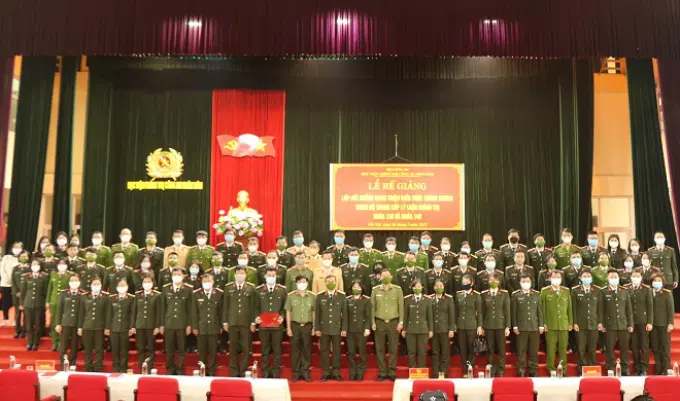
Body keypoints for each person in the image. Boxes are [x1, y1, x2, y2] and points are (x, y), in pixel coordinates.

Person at [222, 265, 256, 377]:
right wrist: (225, 322)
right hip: (232, 322)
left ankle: (243, 370)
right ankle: (234, 371)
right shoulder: (228, 288)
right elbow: (225, 306)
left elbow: (253, 307)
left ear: (246, 274)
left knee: (246, 349)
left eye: (242, 273)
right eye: (238, 273)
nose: (240, 275)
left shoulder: (251, 288)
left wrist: (253, 322)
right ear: (234, 274)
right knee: (233, 349)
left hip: (246, 323)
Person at [371, 269, 404, 381]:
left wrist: (401, 322)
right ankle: (382, 373)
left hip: (393, 323)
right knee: (380, 349)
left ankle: (392, 372)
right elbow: (372, 307)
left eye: (387, 276)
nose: (385, 278)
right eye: (383, 276)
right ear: (380, 277)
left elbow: (401, 307)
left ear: (391, 276)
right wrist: (373, 322)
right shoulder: (375, 290)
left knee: (393, 349)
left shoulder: (397, 290)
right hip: (379, 322)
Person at [254, 267, 287, 378]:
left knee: (277, 350)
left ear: (276, 276)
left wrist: (282, 317)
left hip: (277, 326)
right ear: (265, 276)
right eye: (269, 275)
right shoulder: (258, 290)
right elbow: (256, 307)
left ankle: (276, 372)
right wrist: (256, 317)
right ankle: (265, 372)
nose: (271, 277)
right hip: (263, 326)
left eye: (273, 275)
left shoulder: (282, 290)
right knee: (265, 350)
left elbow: (284, 307)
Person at [160, 267, 193, 375]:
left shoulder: (188, 289)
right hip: (169, 323)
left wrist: (189, 325)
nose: (176, 276)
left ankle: (180, 369)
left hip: (182, 323)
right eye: (174, 274)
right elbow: (163, 308)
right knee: (169, 349)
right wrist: (161, 324)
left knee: (181, 349)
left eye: (179, 274)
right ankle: (170, 369)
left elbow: (190, 309)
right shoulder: (166, 288)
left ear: (183, 276)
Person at [570, 270, 603, 375]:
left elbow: (600, 308)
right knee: (581, 349)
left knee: (592, 349)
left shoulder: (597, 290)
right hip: (580, 324)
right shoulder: (575, 291)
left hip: (594, 323)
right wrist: (575, 323)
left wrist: (600, 322)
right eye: (585, 276)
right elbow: (573, 308)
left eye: (589, 276)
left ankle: (592, 369)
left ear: (591, 278)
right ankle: (581, 369)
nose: (587, 277)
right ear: (580, 278)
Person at [601, 269, 633, 375]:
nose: (614, 279)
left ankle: (625, 368)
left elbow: (628, 309)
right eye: (611, 277)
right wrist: (601, 323)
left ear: (619, 278)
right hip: (609, 324)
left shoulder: (624, 291)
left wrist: (630, 324)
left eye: (615, 277)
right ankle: (610, 368)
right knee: (609, 348)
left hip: (623, 324)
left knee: (624, 348)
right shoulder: (603, 291)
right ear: (607, 278)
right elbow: (601, 309)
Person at [316, 275, 347, 381]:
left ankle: (336, 372)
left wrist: (344, 328)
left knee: (337, 351)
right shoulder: (320, 296)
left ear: (336, 282)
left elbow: (345, 314)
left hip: (337, 328)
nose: (331, 283)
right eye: (328, 281)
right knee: (324, 351)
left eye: (333, 281)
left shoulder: (341, 296)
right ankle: (326, 372)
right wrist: (317, 328)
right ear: (325, 283)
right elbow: (318, 314)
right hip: (324, 328)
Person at [511, 273, 543, 377]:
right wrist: (514, 326)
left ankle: (533, 369)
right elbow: (513, 312)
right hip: (521, 327)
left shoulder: (536, 294)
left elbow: (539, 311)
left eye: (528, 281)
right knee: (521, 350)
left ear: (531, 282)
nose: (526, 283)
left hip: (534, 326)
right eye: (523, 281)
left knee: (534, 350)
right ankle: (521, 369)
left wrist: (541, 325)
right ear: (520, 283)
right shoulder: (515, 295)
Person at [541, 269, 572, 374]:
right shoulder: (545, 291)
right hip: (550, 325)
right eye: (554, 277)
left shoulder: (566, 291)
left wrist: (570, 322)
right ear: (550, 278)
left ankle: (563, 369)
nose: (556, 279)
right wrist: (544, 323)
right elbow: (542, 309)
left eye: (558, 277)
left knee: (563, 349)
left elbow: (569, 308)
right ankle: (551, 369)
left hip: (563, 324)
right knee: (551, 348)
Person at [285, 274, 315, 382]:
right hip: (295, 326)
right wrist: (288, 328)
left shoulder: (312, 296)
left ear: (307, 283)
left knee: (306, 349)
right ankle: (296, 372)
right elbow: (288, 312)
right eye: (300, 282)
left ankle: (305, 372)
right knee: (295, 350)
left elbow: (314, 312)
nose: (302, 284)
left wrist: (314, 327)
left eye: (304, 282)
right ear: (296, 283)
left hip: (307, 326)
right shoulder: (290, 296)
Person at [192, 274, 223, 376]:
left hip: (214, 327)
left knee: (213, 352)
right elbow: (194, 312)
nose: (207, 283)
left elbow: (221, 312)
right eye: (204, 281)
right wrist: (194, 327)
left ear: (213, 282)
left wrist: (221, 326)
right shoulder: (196, 294)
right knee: (202, 352)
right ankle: (202, 371)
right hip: (201, 328)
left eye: (209, 281)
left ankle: (212, 372)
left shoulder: (219, 293)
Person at [480, 273, 510, 377]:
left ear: (499, 282)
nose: (493, 282)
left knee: (501, 349)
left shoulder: (504, 294)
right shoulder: (484, 294)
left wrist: (507, 326)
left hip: (501, 325)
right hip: (488, 325)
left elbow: (507, 311)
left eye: (495, 280)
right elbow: (481, 312)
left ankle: (501, 370)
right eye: (491, 280)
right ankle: (491, 369)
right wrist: (481, 326)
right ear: (488, 281)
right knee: (490, 349)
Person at [78, 277, 110, 372]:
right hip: (87, 326)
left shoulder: (105, 297)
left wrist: (107, 327)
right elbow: (81, 313)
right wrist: (80, 327)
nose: (96, 286)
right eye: (94, 284)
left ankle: (98, 367)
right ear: (91, 285)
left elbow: (107, 313)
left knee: (99, 348)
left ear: (101, 285)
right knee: (87, 348)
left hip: (99, 326)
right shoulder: (84, 296)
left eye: (98, 284)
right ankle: (88, 366)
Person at [454, 274, 482, 377]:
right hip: (461, 326)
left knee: (471, 349)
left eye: (467, 282)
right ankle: (465, 370)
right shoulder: (458, 295)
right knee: (463, 349)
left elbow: (479, 312)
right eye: (464, 282)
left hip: (472, 325)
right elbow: (455, 311)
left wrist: (479, 326)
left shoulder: (476, 295)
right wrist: (454, 324)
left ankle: (471, 369)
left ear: (472, 283)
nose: (465, 284)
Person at [55, 274, 84, 370]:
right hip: (65, 323)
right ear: (69, 282)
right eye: (72, 280)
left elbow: (82, 311)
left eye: (76, 280)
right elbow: (59, 309)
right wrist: (58, 323)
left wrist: (80, 326)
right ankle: (63, 365)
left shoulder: (82, 294)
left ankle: (72, 364)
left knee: (74, 346)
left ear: (79, 282)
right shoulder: (64, 293)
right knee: (63, 346)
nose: (74, 282)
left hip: (76, 324)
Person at [402, 279, 432, 369]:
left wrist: (431, 329)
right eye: (415, 286)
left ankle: (422, 370)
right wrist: (404, 329)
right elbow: (405, 316)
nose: (417, 288)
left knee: (422, 351)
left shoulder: (427, 299)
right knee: (411, 351)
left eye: (419, 286)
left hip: (423, 329)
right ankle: (412, 370)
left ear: (422, 287)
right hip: (411, 329)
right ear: (412, 288)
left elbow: (430, 316)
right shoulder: (407, 299)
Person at [627, 269, 653, 376]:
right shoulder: (627, 289)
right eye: (634, 276)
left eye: (637, 276)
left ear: (641, 277)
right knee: (634, 346)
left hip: (643, 321)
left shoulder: (646, 289)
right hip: (632, 322)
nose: (635, 278)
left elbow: (650, 307)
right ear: (630, 277)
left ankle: (644, 368)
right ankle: (637, 367)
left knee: (644, 345)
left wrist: (650, 322)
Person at [345, 279, 372, 381]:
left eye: (358, 287)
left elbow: (368, 316)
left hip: (362, 330)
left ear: (362, 288)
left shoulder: (366, 300)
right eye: (354, 287)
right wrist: (345, 329)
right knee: (351, 353)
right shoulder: (347, 300)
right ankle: (353, 372)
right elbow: (345, 316)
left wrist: (367, 328)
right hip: (350, 331)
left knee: (362, 353)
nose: (356, 289)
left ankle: (361, 372)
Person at [107, 278, 135, 373]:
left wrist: (131, 327)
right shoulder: (112, 298)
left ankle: (123, 368)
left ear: (127, 287)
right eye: (120, 285)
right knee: (115, 350)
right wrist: (108, 327)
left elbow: (132, 314)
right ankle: (116, 368)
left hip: (125, 328)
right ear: (116, 287)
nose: (122, 287)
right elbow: (109, 314)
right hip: (114, 328)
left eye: (124, 285)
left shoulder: (131, 298)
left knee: (124, 350)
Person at [134, 274, 161, 370]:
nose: (147, 284)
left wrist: (157, 326)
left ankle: (149, 367)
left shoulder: (157, 295)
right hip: (140, 325)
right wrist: (133, 326)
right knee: (140, 348)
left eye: (149, 281)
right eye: (145, 282)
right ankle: (142, 367)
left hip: (151, 325)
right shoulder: (137, 295)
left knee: (151, 348)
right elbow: (134, 311)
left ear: (153, 283)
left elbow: (159, 312)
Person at [46, 258, 74, 350]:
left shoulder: (70, 275)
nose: (62, 265)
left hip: (65, 301)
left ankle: (62, 342)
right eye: (60, 264)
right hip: (54, 301)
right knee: (54, 321)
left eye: (64, 264)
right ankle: (55, 341)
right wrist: (47, 301)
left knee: (63, 322)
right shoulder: (53, 274)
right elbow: (50, 288)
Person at [429, 279, 455, 378]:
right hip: (434, 330)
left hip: (445, 330)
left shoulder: (449, 299)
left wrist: (451, 329)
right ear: (434, 287)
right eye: (437, 286)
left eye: (441, 286)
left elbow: (451, 315)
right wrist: (430, 329)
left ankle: (444, 373)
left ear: (443, 287)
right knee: (435, 352)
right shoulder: (430, 298)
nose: (439, 288)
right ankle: (436, 374)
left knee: (445, 352)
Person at [21, 259, 49, 350]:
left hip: (39, 304)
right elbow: (23, 291)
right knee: (28, 325)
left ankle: (36, 343)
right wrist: (21, 303)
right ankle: (29, 342)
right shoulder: (26, 276)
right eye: (34, 264)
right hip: (28, 303)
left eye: (37, 264)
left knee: (38, 324)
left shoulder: (44, 277)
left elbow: (45, 292)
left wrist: (45, 303)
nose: (35, 266)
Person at [650, 274, 674, 375]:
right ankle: (658, 369)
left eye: (659, 280)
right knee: (655, 348)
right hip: (653, 325)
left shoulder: (667, 293)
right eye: (655, 280)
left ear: (662, 282)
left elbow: (670, 309)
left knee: (665, 347)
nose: (657, 282)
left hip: (664, 324)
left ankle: (667, 368)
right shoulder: (649, 292)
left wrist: (670, 323)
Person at [11, 251, 31, 337]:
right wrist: (16, 291)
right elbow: (13, 281)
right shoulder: (15, 268)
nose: (23, 258)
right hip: (16, 294)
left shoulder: (31, 268)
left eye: (25, 256)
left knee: (26, 313)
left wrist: (24, 292)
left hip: (27, 294)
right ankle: (17, 330)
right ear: (19, 257)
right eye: (21, 256)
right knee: (17, 313)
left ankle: (24, 330)